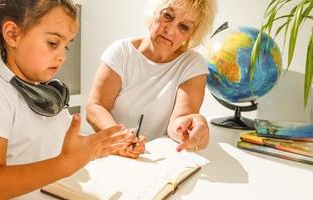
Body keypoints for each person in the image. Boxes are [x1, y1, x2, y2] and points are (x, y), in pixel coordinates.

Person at [0, 0, 132, 199]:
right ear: (12, 34)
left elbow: (60, 146)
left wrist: (102, 146)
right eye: (53, 43)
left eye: (66, 47)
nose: (62, 57)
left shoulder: (48, 96)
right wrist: (66, 164)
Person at [86, 0, 216, 159]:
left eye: (184, 27)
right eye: (167, 16)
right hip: (111, 155)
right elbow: (95, 107)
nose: (170, 30)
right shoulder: (121, 52)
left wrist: (191, 126)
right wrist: (121, 140)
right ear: (154, 12)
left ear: (192, 34)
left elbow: (179, 120)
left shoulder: (192, 64)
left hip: (157, 162)